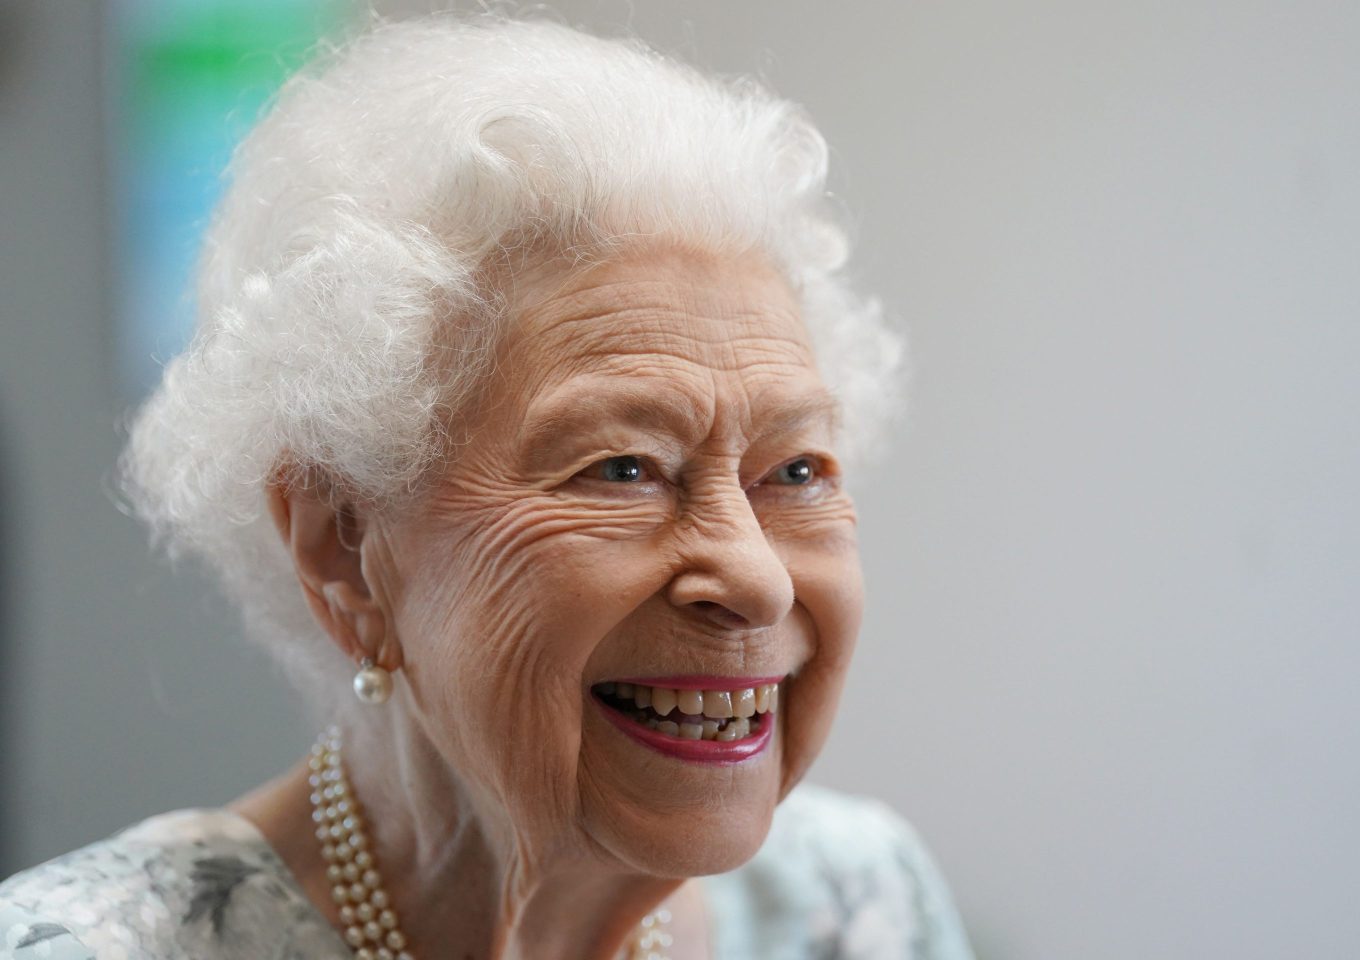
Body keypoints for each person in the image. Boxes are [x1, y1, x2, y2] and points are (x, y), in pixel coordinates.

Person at [0, 14, 972, 960]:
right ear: (343, 546)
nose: (757, 580)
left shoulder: (859, 908)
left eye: (796, 471)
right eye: (623, 468)